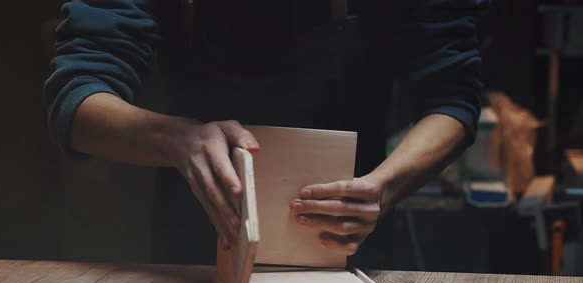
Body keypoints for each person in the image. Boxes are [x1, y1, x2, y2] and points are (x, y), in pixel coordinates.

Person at [45, 0, 488, 265]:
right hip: (193, 257)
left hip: (349, 247)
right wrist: (178, 141)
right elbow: (77, 102)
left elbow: (451, 101)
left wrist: (383, 188)